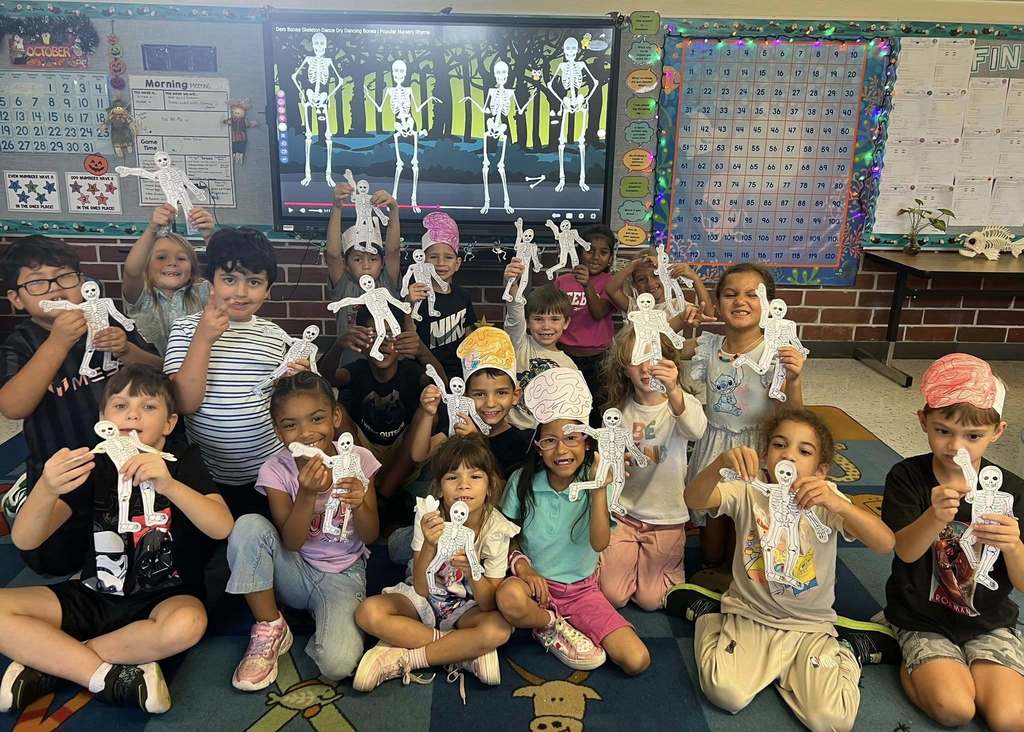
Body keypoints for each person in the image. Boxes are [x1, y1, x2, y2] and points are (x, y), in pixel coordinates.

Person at [0, 365, 232, 714]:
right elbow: (26, 539)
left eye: (148, 407)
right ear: (102, 419)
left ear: (169, 424)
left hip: (167, 597)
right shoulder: (92, 463)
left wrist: (169, 484)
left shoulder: (181, 458)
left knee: (189, 624)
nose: (133, 414)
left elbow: (222, 527)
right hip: (96, 592)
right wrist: (45, 490)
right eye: (120, 406)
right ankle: (104, 675)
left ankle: (54, 664)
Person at [677, 410, 895, 732]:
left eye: (804, 451)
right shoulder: (748, 491)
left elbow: (884, 543)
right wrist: (720, 464)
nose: (789, 455)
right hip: (750, 615)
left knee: (833, 722)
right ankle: (710, 615)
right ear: (766, 456)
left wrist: (841, 506)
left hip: (809, 625)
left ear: (820, 470)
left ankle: (848, 650)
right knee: (725, 693)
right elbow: (694, 498)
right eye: (780, 445)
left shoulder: (827, 499)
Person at [0, 236, 159, 575]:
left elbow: (160, 372)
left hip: (122, 464)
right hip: (61, 470)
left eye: (65, 278)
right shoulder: (22, 341)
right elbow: (13, 407)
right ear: (16, 298)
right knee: (52, 561)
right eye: (38, 283)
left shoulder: (107, 325)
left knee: (131, 551)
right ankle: (24, 494)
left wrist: (128, 352)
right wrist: (58, 341)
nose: (56, 291)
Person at [881, 354, 1024, 730]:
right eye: (943, 430)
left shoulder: (1012, 491)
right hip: (922, 615)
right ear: (923, 421)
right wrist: (936, 516)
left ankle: (959, 664)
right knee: (955, 709)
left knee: (1010, 719)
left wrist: (1013, 546)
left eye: (973, 436)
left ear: (997, 432)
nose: (955, 447)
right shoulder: (907, 476)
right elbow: (905, 550)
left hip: (987, 620)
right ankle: (903, 646)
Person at [226, 372, 379, 690]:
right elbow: (292, 542)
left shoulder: (358, 459)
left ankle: (322, 623)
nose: (307, 433)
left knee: (338, 665)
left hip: (343, 574)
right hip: (292, 571)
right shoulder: (275, 470)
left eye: (317, 419)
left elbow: (372, 536)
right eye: (290, 424)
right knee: (247, 527)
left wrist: (360, 502)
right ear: (277, 429)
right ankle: (270, 625)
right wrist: (307, 494)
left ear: (336, 417)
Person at [496, 368, 650, 675]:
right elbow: (504, 535)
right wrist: (522, 567)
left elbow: (599, 542)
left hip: (581, 592)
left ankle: (556, 622)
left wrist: (598, 488)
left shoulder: (595, 484)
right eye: (550, 440)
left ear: (587, 442)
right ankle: (549, 625)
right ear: (538, 447)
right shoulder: (521, 482)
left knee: (636, 660)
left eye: (571, 438)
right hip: (534, 588)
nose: (562, 450)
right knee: (507, 596)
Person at [353, 435, 516, 692]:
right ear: (439, 488)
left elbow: (487, 602)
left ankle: (409, 658)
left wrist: (472, 570)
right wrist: (429, 544)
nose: (464, 486)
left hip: (466, 606)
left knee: (498, 629)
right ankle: (462, 650)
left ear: (490, 486)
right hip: (422, 601)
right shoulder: (429, 515)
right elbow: (420, 588)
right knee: (367, 612)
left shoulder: (496, 528)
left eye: (475, 477)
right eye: (452, 477)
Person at [164, 228, 301, 518]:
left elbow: (288, 402)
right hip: (205, 473)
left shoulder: (275, 336)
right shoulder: (186, 330)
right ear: (210, 283)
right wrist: (203, 339)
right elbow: (185, 403)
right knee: (211, 544)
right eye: (229, 279)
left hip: (268, 472)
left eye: (253, 282)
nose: (240, 292)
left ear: (267, 290)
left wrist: (299, 378)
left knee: (263, 539)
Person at [686, 263, 806, 570]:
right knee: (711, 545)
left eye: (752, 295)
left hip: (755, 452)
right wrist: (678, 318)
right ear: (717, 303)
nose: (740, 301)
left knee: (746, 541)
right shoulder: (709, 346)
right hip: (715, 448)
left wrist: (794, 381)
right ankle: (715, 567)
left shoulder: (777, 353)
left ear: (769, 305)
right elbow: (660, 348)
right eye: (730, 294)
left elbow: (795, 422)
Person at [597, 324, 707, 611]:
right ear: (624, 368)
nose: (646, 369)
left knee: (651, 601)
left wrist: (674, 390)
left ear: (670, 363)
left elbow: (696, 430)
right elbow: (606, 461)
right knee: (613, 595)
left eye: (654, 359)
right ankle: (630, 562)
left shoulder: (680, 405)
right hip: (624, 514)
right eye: (636, 362)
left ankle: (656, 569)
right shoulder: (618, 411)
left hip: (666, 517)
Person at [408, 326, 531, 480]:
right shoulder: (459, 427)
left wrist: (476, 440)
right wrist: (428, 413)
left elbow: (502, 490)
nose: (490, 403)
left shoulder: (521, 443)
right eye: (480, 394)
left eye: (501, 393)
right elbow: (419, 455)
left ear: (515, 396)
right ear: (466, 396)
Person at [320, 183, 401, 373]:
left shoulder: (386, 282)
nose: (366, 264)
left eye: (373, 258)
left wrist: (394, 210)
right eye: (357, 258)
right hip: (350, 368)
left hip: (388, 366)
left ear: (382, 264)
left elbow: (393, 250)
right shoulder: (344, 286)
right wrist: (337, 207)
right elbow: (332, 254)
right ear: (346, 265)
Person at [122, 204, 215, 355]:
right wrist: (152, 230)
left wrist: (210, 236)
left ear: (192, 268)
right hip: (151, 373)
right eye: (161, 257)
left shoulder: (203, 292)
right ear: (145, 266)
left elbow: (225, 274)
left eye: (181, 258)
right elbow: (132, 272)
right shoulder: (140, 296)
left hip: (194, 372)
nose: (172, 263)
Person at [500, 274, 578, 430]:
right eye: (538, 319)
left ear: (566, 323)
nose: (546, 326)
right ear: (527, 322)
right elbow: (515, 313)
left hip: (545, 435)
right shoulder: (520, 344)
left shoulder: (569, 367)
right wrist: (512, 284)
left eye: (555, 319)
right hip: (511, 427)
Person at [553, 225, 617, 411]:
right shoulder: (562, 282)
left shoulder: (610, 283)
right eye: (589, 250)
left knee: (597, 409)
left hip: (598, 360)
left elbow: (598, 312)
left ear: (610, 258)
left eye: (603, 252)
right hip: (565, 356)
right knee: (567, 407)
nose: (596, 257)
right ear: (580, 252)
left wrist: (588, 284)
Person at [413, 212, 476, 381]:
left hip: (459, 372)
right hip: (424, 372)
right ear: (423, 262)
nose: (441, 263)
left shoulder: (463, 296)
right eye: (433, 257)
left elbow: (468, 333)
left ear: (457, 264)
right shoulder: (417, 296)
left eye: (448, 257)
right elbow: (409, 336)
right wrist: (409, 304)